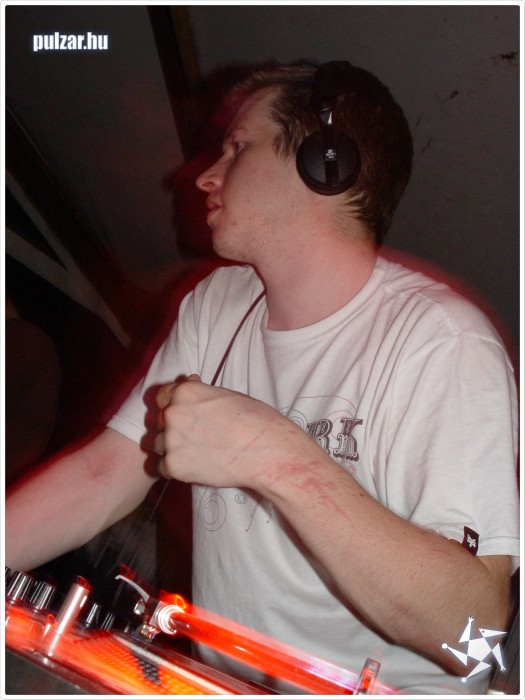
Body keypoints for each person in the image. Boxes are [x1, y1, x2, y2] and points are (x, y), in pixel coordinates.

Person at [5, 61, 519, 695]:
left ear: (325, 164)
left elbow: (474, 634)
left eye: (237, 146)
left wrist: (276, 457)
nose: (204, 175)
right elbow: (105, 473)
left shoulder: (441, 341)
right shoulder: (215, 304)